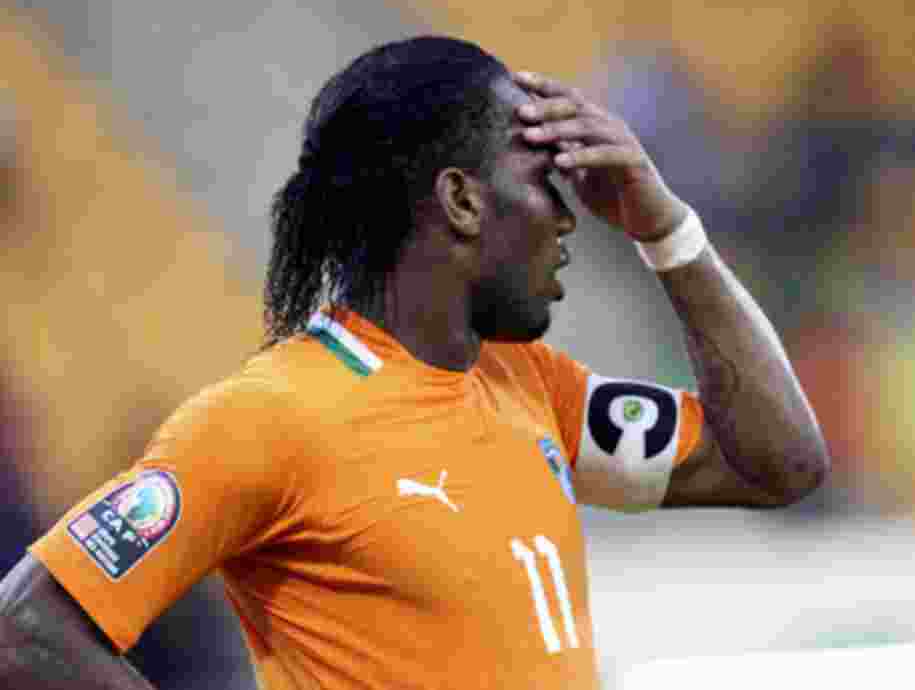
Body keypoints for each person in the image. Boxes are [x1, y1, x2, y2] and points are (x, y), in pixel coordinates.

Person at [0, 36, 828, 689]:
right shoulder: (271, 419)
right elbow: (23, 631)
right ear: (462, 200)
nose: (570, 217)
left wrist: (667, 229)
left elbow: (778, 464)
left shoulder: (533, 387)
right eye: (546, 183)